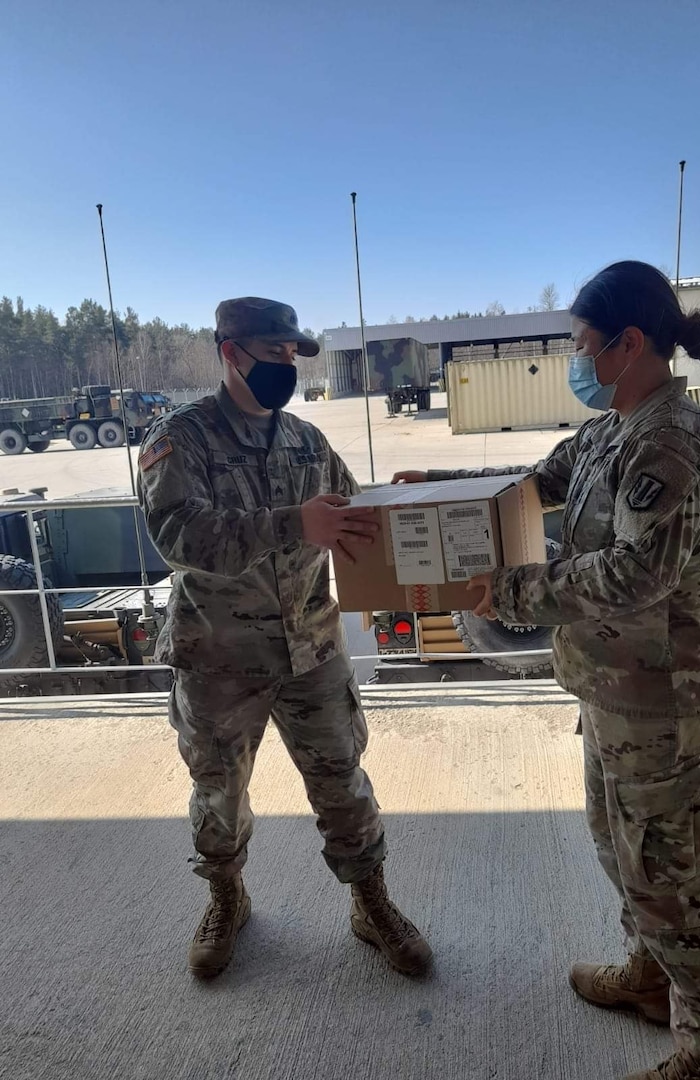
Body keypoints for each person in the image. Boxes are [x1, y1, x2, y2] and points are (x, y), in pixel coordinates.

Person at [393, 262, 700, 1079]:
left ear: (628, 345)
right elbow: (536, 483)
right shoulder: (611, 430)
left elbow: (634, 576)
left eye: (583, 346)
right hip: (614, 690)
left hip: (664, 702)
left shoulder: (671, 443)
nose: (575, 362)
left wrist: (514, 592)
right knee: (622, 850)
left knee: (672, 878)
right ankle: (651, 978)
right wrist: (439, 490)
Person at [138, 297, 431, 981]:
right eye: (272, 352)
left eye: (292, 354)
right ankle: (226, 897)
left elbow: (351, 520)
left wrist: (414, 511)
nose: (285, 365)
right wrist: (293, 524)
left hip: (312, 650)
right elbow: (179, 536)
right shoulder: (180, 439)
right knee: (219, 792)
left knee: (343, 782)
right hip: (219, 657)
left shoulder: (307, 442)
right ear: (230, 351)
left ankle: (370, 902)